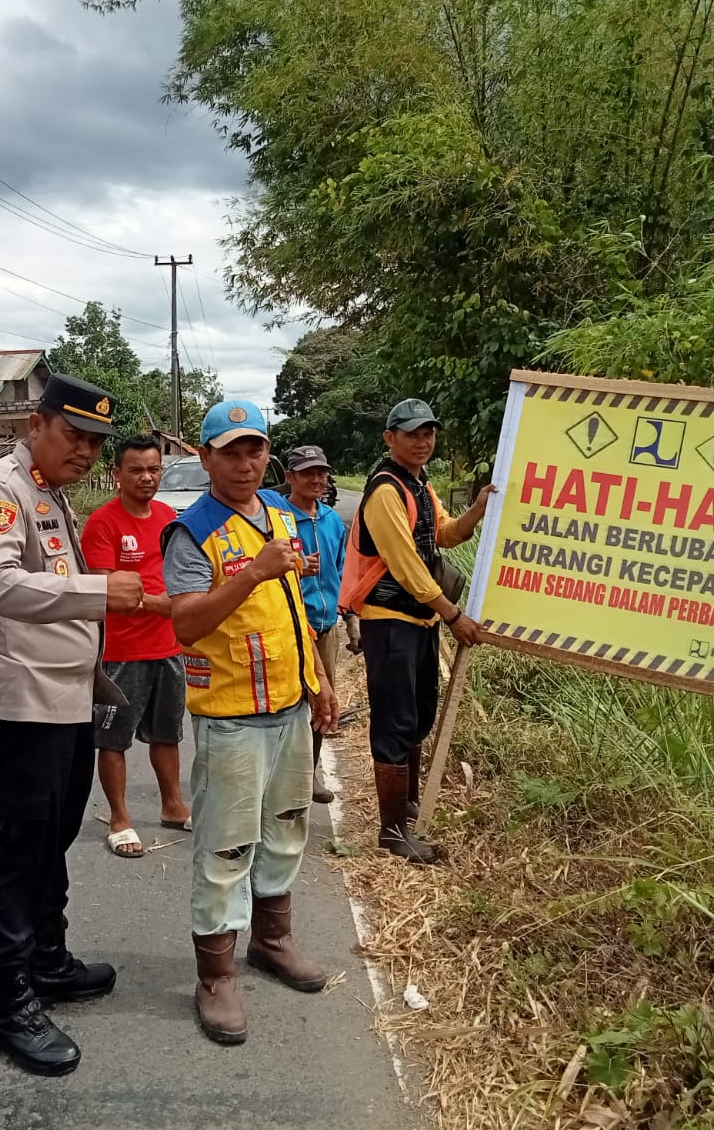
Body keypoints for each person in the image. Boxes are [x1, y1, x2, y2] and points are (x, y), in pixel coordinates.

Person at [0, 374, 144, 1077]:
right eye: (75, 436)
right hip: (20, 707)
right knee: (12, 854)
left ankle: (47, 958)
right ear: (36, 424)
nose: (87, 452)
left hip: (63, 702)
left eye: (97, 441)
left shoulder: (48, 493)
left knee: (53, 840)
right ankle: (6, 1003)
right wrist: (98, 591)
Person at [163, 400, 338, 1046]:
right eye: (230, 451)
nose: (245, 463)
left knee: (287, 828)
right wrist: (253, 573)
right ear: (205, 457)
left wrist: (319, 682)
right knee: (226, 845)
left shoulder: (278, 513)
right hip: (232, 717)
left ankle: (271, 939)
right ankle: (215, 975)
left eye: (255, 450)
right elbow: (185, 623)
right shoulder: (193, 531)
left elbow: (291, 606)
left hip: (290, 708)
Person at [339, 399, 494, 866]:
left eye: (428, 432)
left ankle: (406, 809)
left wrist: (478, 510)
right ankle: (391, 832)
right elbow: (406, 565)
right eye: (411, 433)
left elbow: (441, 535)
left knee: (419, 714)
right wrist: (452, 614)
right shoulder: (386, 489)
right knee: (395, 721)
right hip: (390, 620)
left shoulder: (419, 485)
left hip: (419, 621)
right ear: (390, 438)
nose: (422, 441)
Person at [81, 435, 192, 860]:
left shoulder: (166, 515)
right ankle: (120, 818)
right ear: (117, 475)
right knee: (113, 739)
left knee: (167, 734)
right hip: (120, 654)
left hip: (167, 647)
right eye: (136, 470)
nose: (147, 477)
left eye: (153, 469)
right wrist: (161, 605)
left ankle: (172, 804)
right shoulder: (103, 524)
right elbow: (105, 591)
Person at [282, 444, 350, 805]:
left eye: (321, 472)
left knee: (323, 703)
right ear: (290, 477)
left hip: (325, 625)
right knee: (290, 702)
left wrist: (348, 615)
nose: (317, 479)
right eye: (308, 472)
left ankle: (309, 775)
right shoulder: (278, 518)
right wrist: (295, 564)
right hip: (292, 625)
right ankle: (286, 777)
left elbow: (341, 570)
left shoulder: (332, 520)